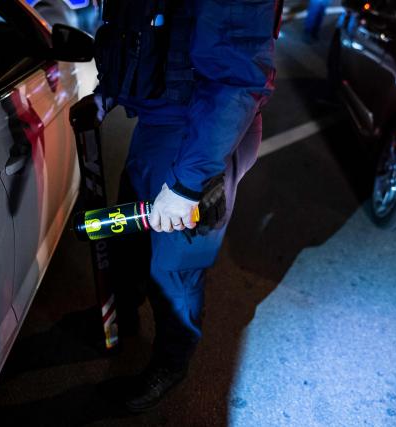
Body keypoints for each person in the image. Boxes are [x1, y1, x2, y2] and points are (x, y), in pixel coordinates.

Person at [94, 0, 278, 412]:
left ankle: (171, 362)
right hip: (160, 123)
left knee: (175, 265)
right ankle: (124, 313)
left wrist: (190, 181)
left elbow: (237, 74)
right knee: (131, 242)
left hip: (200, 131)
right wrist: (109, 90)